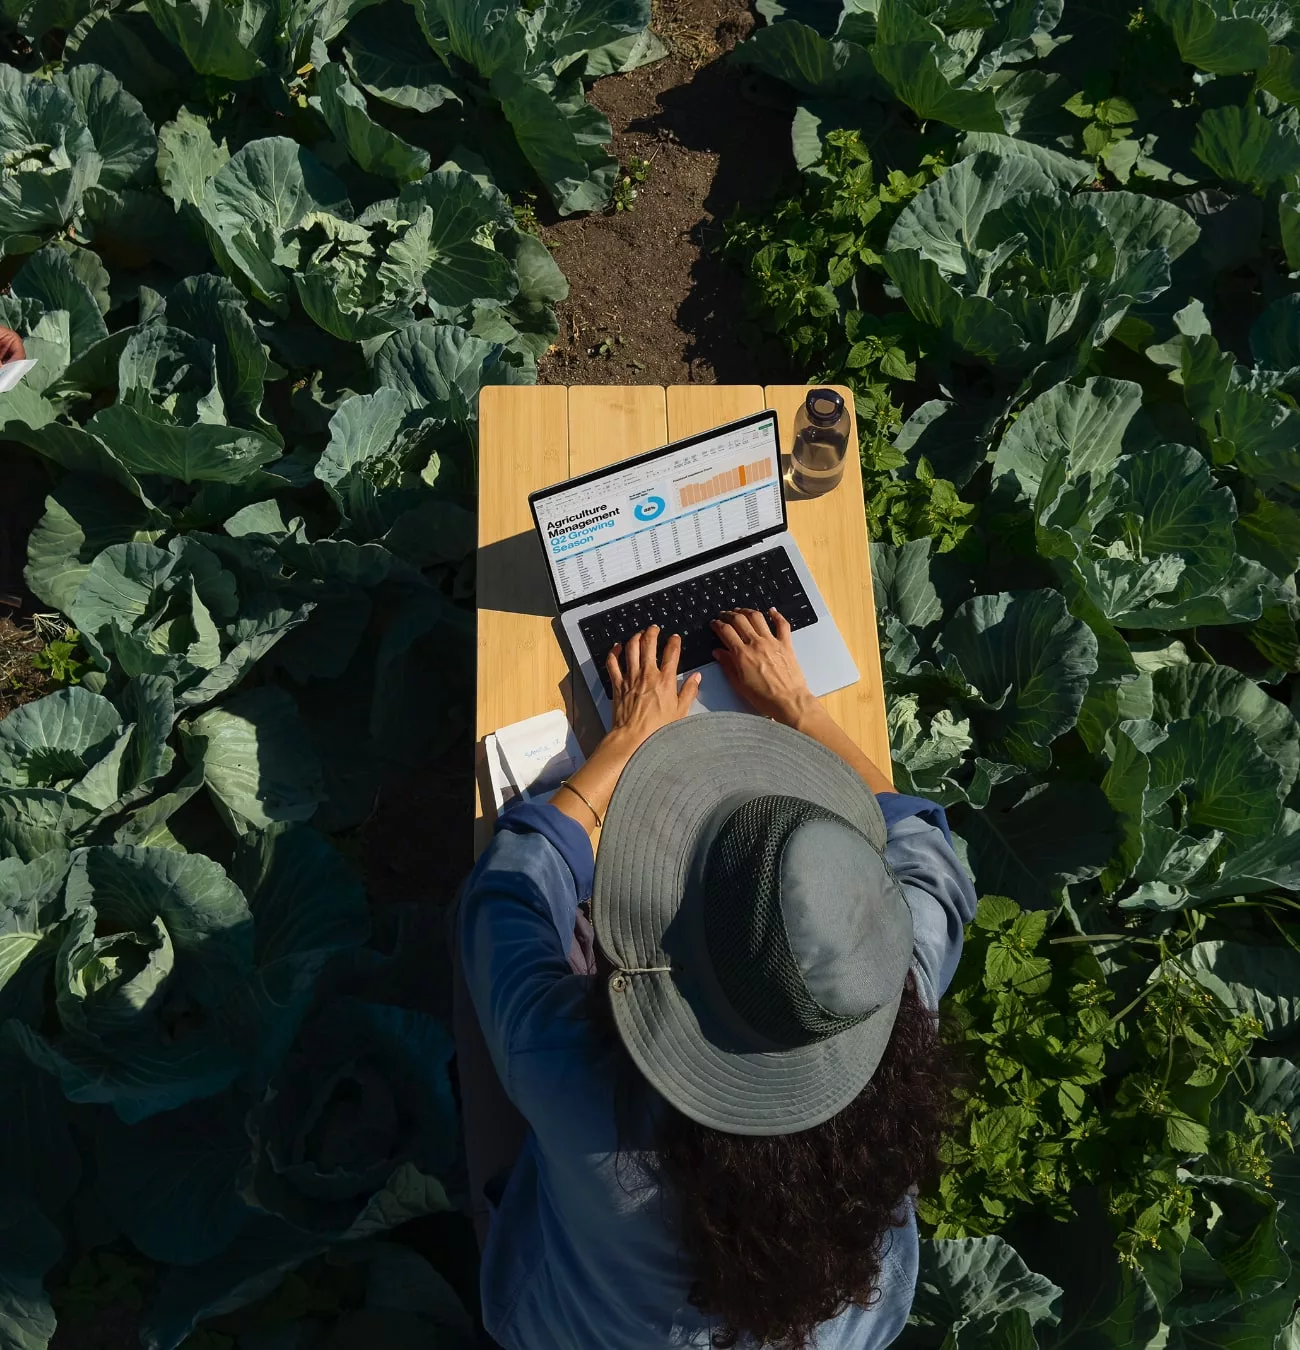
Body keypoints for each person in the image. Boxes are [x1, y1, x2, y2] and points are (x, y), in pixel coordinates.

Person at [456, 607, 977, 1350]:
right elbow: (929, 851)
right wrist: (799, 707)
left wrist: (626, 744)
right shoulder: (881, 992)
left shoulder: (579, 1079)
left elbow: (504, 894)